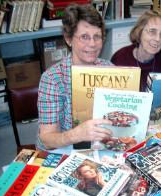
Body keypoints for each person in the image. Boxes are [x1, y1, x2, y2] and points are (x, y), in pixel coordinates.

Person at [36, 4, 113, 151]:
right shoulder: (52, 79)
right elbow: (47, 139)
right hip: (66, 149)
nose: (92, 44)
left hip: (103, 146)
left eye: (97, 36)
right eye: (84, 37)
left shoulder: (109, 69)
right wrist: (77, 134)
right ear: (68, 39)